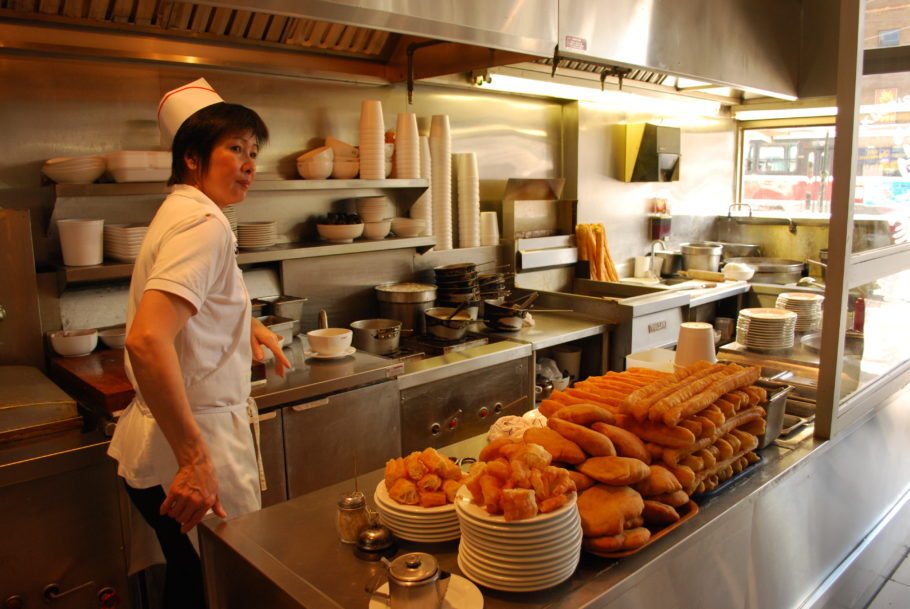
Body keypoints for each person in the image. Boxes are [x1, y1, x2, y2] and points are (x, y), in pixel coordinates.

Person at [108, 79, 290, 609]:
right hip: (190, 446)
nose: (250, 164)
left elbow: (195, 302)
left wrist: (247, 326)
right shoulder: (205, 225)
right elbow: (146, 340)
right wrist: (194, 461)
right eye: (234, 149)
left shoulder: (183, 211)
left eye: (254, 152)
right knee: (222, 589)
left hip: (154, 446)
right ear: (192, 157)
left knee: (194, 584)